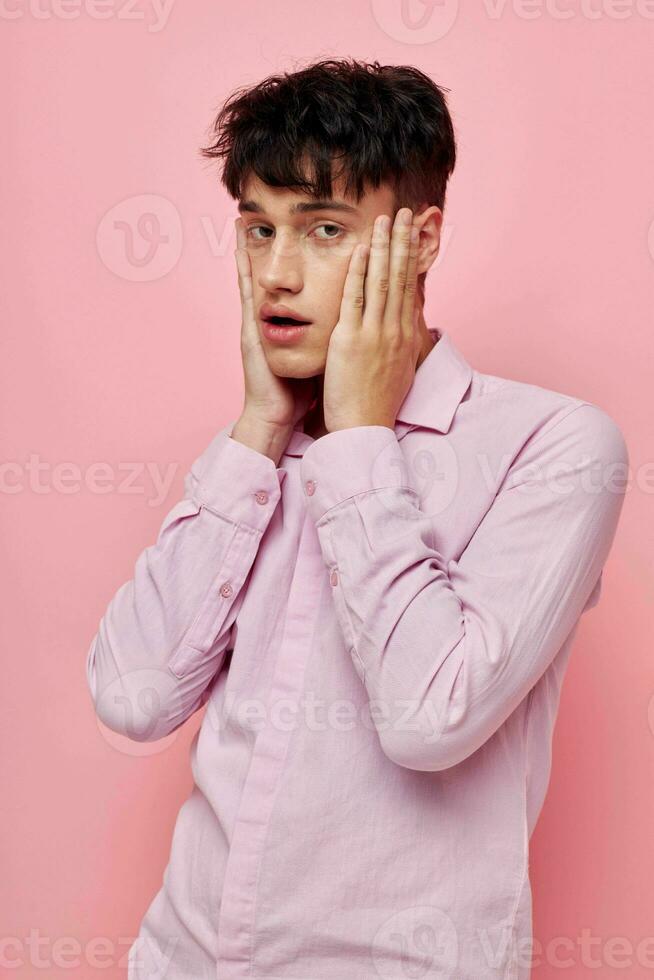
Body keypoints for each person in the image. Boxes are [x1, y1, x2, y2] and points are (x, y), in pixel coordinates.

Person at [85, 58, 629, 980]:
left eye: (323, 228)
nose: (277, 271)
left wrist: (361, 440)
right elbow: (132, 698)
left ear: (421, 240)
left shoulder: (555, 446)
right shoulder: (256, 451)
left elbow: (429, 719)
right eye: (257, 229)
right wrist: (259, 429)